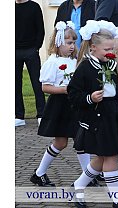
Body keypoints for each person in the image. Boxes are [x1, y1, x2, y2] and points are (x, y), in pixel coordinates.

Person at [67, 20, 118, 208]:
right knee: (111, 157)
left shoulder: (112, 66)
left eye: (112, 49)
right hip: (96, 119)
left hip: (112, 117)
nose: (110, 53)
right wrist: (90, 98)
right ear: (93, 48)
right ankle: (117, 199)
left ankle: (78, 185)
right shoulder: (85, 67)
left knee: (101, 159)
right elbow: (73, 93)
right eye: (106, 49)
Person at [30, 21, 79, 187]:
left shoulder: (74, 60)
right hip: (60, 106)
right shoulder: (52, 62)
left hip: (75, 105)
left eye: (74, 42)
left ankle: (88, 173)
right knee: (61, 142)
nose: (72, 46)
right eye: (68, 42)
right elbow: (45, 87)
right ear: (58, 42)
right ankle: (39, 173)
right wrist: (64, 90)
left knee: (81, 139)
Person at [15, 0, 46, 126]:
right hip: (14, 50)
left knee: (37, 82)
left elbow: (40, 29)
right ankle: (19, 116)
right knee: (15, 84)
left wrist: (36, 47)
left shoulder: (34, 7)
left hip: (31, 50)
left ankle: (42, 114)